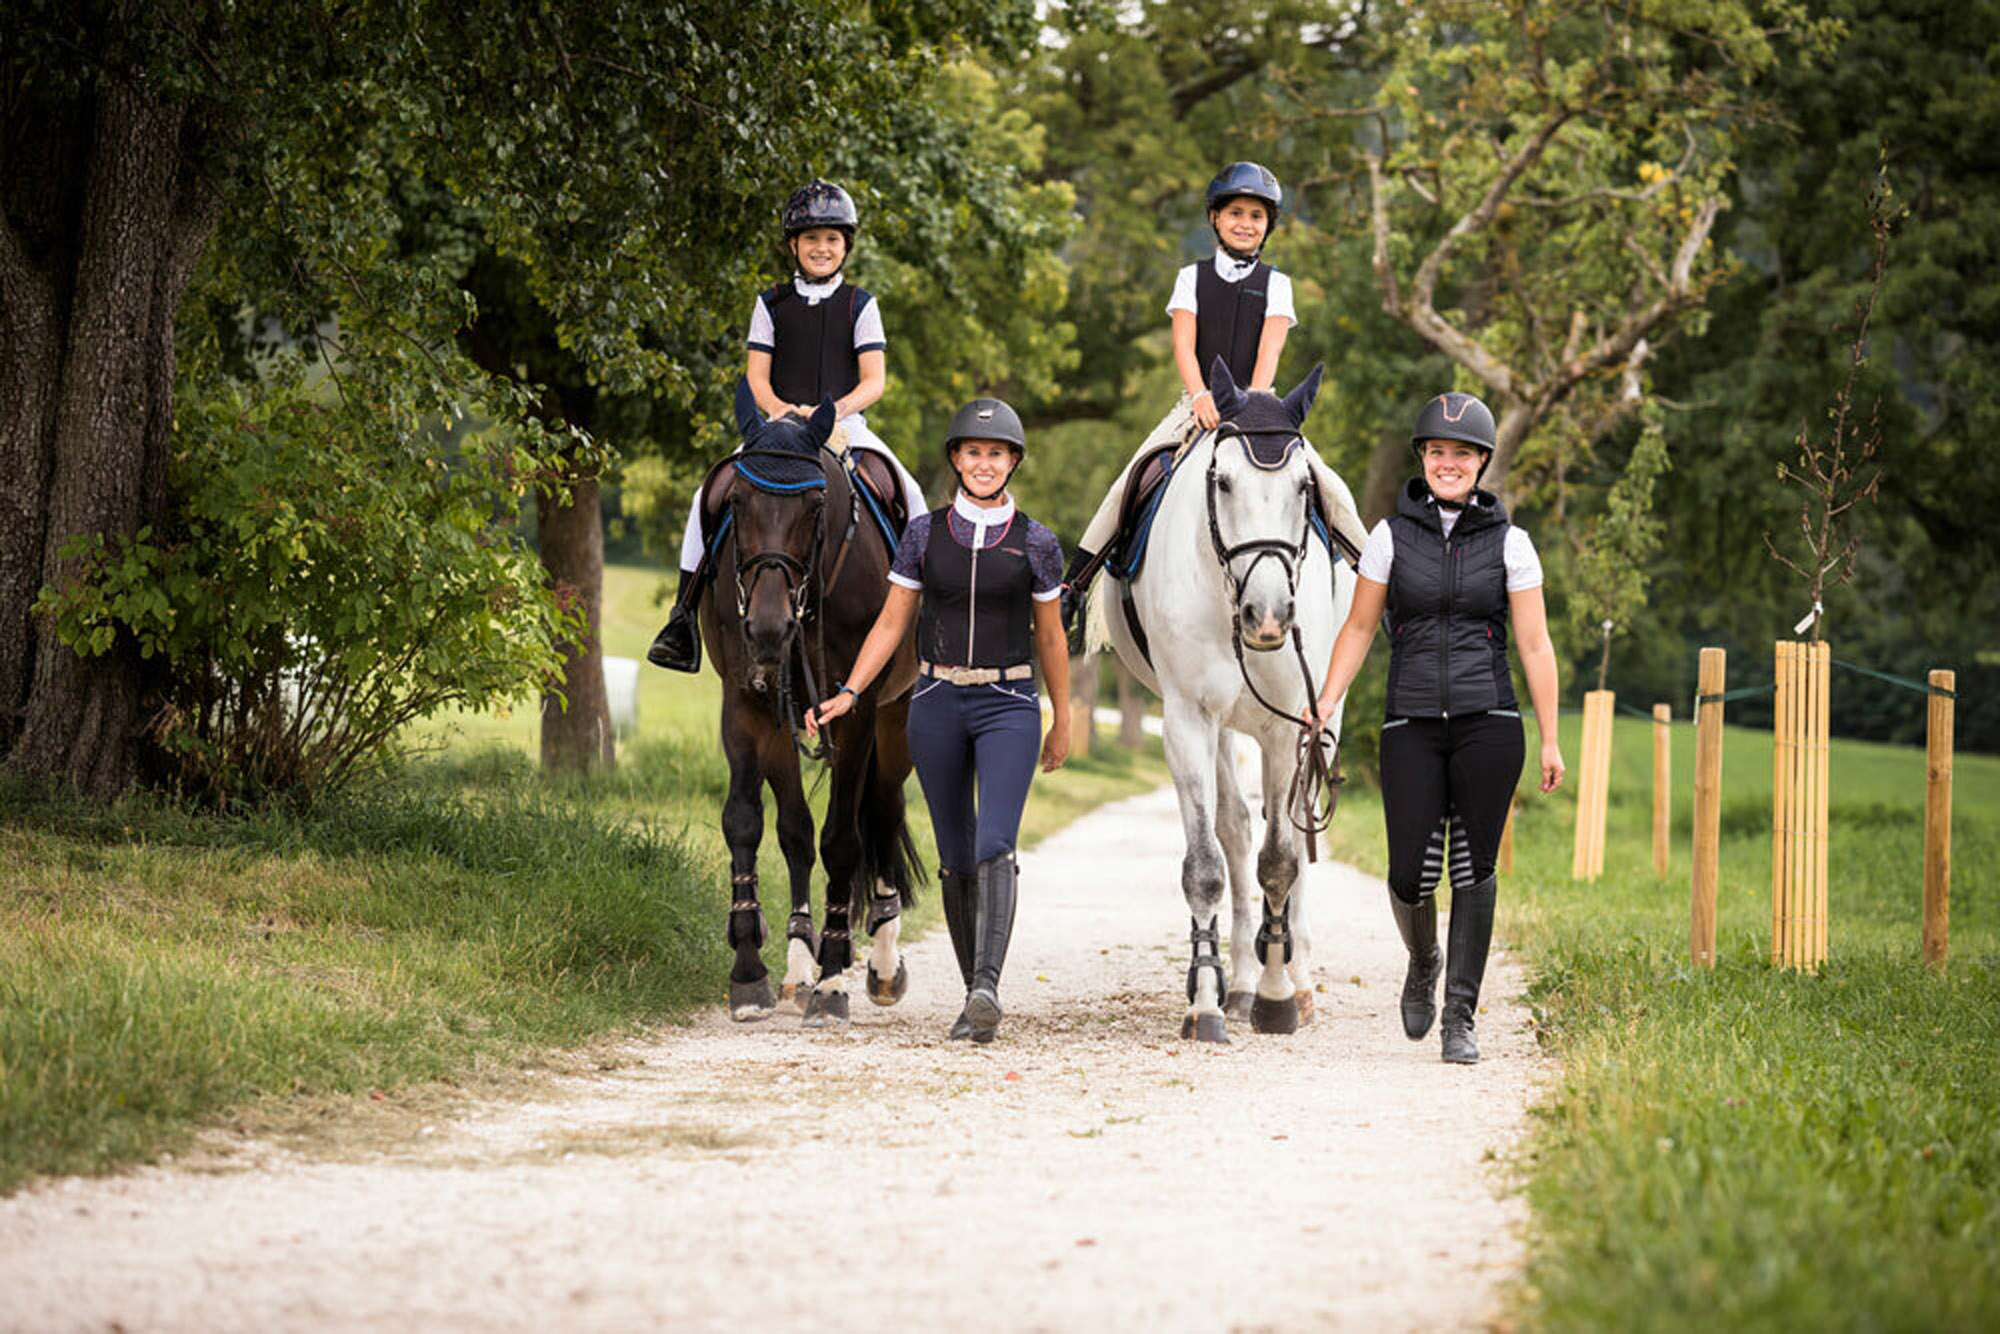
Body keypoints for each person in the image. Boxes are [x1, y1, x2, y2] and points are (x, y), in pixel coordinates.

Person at [1308, 391, 1565, 1064]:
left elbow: (1535, 646)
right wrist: (1327, 700)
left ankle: (1461, 1015)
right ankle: (1424, 959)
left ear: (1482, 462)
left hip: (1491, 721)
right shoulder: (1390, 538)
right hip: (1411, 720)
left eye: (1463, 454)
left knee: (1472, 867)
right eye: (1438, 452)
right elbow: (1360, 626)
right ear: (1423, 459)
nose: (1449, 463)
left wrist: (1552, 737)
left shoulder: (1514, 545)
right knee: (1407, 873)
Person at [806, 397, 1070, 1044]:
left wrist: (1062, 715)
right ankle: (972, 995)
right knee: (954, 857)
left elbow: (1052, 637)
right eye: (973, 452)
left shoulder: (1037, 542)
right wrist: (849, 690)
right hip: (936, 705)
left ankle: (986, 986)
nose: (984, 463)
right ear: (956, 459)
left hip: (1008, 704)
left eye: (997, 454)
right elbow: (893, 621)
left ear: (1013, 463)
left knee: (994, 846)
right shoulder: (923, 536)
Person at [1060, 161, 1366, 644]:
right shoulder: (1191, 278)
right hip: (1196, 403)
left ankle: (1377, 580)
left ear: (1268, 226)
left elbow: (1271, 351)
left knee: (1330, 486)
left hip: (1260, 409)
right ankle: (1072, 586)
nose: (1246, 223)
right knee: (1130, 479)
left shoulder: (1278, 284)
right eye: (1235, 213)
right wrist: (1201, 394)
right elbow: (1184, 345)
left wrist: (1254, 404)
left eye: (1256, 216)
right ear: (1215, 219)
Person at [649, 179, 929, 672]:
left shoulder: (861, 305)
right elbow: (757, 376)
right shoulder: (770, 304)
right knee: (706, 495)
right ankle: (681, 617)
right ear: (794, 246)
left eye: (832, 239)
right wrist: (781, 411)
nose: (822, 248)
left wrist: (829, 414)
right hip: (777, 428)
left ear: (846, 246)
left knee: (910, 493)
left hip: (844, 426)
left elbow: (874, 381)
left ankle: (927, 622)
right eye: (811, 239)